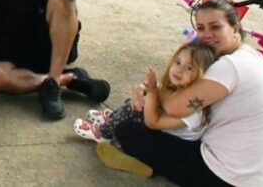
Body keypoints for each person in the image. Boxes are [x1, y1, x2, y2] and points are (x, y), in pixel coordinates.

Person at [99, 0, 263, 186]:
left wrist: (152, 91)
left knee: (128, 130)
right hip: (259, 173)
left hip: (227, 176)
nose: (207, 35)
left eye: (215, 27)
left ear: (235, 28)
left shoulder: (229, 66)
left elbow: (174, 108)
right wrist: (152, 91)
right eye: (201, 28)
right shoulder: (251, 55)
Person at [74, 41, 216, 142]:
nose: (179, 70)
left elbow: (152, 123)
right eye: (177, 62)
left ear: (201, 75)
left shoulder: (195, 111)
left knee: (135, 112)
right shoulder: (183, 89)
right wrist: (148, 91)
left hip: (169, 142)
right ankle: (113, 119)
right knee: (137, 101)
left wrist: (152, 92)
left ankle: (102, 133)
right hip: (162, 128)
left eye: (189, 68)